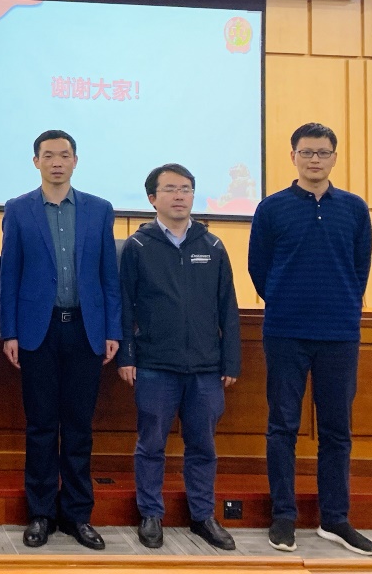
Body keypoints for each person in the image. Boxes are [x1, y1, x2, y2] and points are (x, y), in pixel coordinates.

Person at [248, 123, 372, 557]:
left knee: (337, 430)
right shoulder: (271, 208)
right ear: (293, 156)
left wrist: (340, 303)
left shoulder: (354, 209)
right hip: (285, 331)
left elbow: (359, 269)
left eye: (323, 152)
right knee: (282, 426)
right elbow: (259, 269)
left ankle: (335, 519)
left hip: (339, 333)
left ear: (335, 158)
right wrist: (287, 299)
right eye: (306, 152)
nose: (315, 159)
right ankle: (283, 516)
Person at [0, 129, 121, 550]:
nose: (56, 162)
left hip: (86, 330)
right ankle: (41, 513)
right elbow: (9, 275)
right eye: (48, 155)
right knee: (40, 426)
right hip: (39, 330)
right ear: (36, 161)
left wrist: (112, 329)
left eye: (64, 155)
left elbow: (108, 276)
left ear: (75, 161)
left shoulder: (99, 209)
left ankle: (77, 515)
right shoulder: (18, 209)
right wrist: (10, 331)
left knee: (79, 427)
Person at [117, 164, 241, 552]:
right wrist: (126, 355)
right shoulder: (137, 247)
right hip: (154, 365)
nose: (179, 196)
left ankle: (202, 516)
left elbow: (228, 308)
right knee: (151, 444)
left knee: (203, 447)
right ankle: (151, 514)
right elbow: (124, 306)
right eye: (170, 189)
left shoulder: (213, 246)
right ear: (153, 198)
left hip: (205, 368)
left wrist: (231, 361)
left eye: (186, 189)